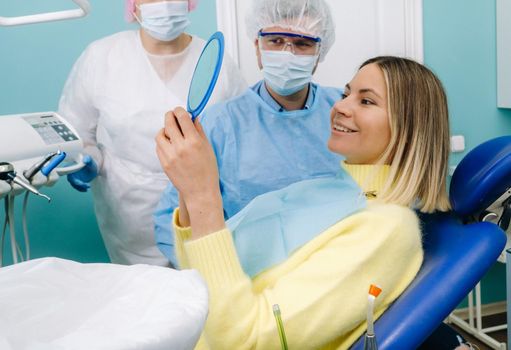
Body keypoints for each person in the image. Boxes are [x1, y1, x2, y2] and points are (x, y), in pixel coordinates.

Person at [154, 56, 452, 349]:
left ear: (410, 127)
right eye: (347, 93)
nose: (339, 106)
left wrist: (202, 194)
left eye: (366, 101)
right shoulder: (329, 190)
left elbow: (246, 339)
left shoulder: (388, 228)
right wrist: (188, 185)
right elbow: (203, 266)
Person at [154, 0, 342, 267]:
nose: (287, 53)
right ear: (257, 47)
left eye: (302, 44)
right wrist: (218, 275)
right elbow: (168, 220)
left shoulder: (345, 112)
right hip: (252, 281)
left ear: (319, 51)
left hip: (335, 268)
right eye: (275, 41)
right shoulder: (220, 124)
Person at [58, 0, 246, 265]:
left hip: (203, 209)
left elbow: (241, 140)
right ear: (132, 4)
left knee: (206, 292)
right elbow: (77, 135)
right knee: (141, 298)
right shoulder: (102, 57)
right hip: (127, 215)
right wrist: (87, 161)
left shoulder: (216, 62)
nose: (165, 3)